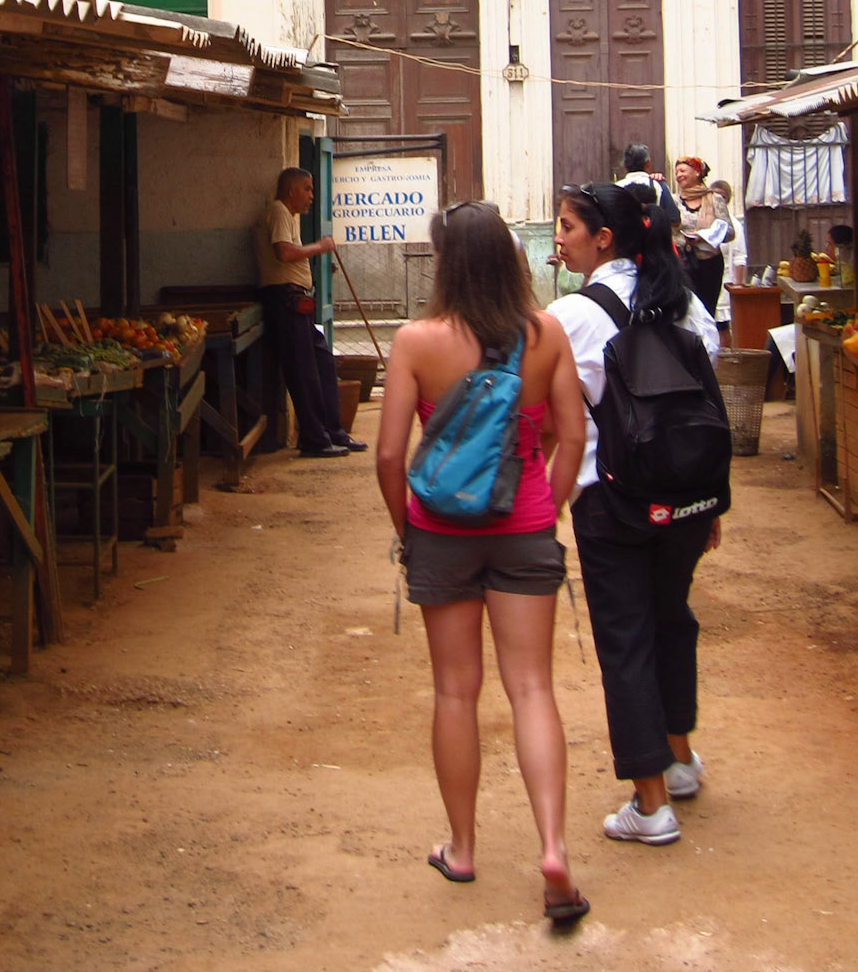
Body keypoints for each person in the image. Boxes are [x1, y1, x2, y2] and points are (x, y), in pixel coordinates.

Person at [376, 202, 589, 921]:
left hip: (442, 532)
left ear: (445, 263)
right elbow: (572, 437)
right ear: (509, 258)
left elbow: (386, 454)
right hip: (522, 526)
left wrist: (410, 527)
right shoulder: (546, 333)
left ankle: (462, 849)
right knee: (531, 689)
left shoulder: (415, 341)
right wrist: (545, 510)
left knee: (455, 693)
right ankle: (553, 847)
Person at [550, 182, 724, 847]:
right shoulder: (679, 301)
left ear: (604, 238)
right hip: (685, 495)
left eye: (567, 226)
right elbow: (705, 385)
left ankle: (651, 805)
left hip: (611, 502)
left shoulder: (573, 314)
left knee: (627, 640)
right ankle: (678, 760)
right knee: (672, 622)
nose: (559, 237)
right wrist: (714, 500)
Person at [254, 168, 364, 457]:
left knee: (323, 363)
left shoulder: (291, 216)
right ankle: (314, 440)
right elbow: (284, 253)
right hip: (284, 299)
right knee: (303, 372)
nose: (312, 196)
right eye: (307, 189)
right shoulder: (278, 211)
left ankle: (333, 432)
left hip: (297, 299)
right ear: (291, 191)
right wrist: (320, 247)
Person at [673, 156, 732, 316]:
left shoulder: (714, 199)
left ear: (697, 172)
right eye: (676, 171)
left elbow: (729, 232)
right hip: (683, 263)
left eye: (683, 170)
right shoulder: (673, 201)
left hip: (709, 265)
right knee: (687, 311)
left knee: (707, 311)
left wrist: (705, 237)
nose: (679, 175)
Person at [708, 179, 745, 328]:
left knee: (721, 327)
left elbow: (740, 257)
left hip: (725, 285)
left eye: (721, 196)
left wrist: (738, 288)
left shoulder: (734, 225)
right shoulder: (704, 220)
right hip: (706, 281)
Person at [618, 143, 681, 231]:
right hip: (653, 240)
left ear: (624, 166)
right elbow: (675, 220)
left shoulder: (616, 188)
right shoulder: (659, 186)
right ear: (648, 164)